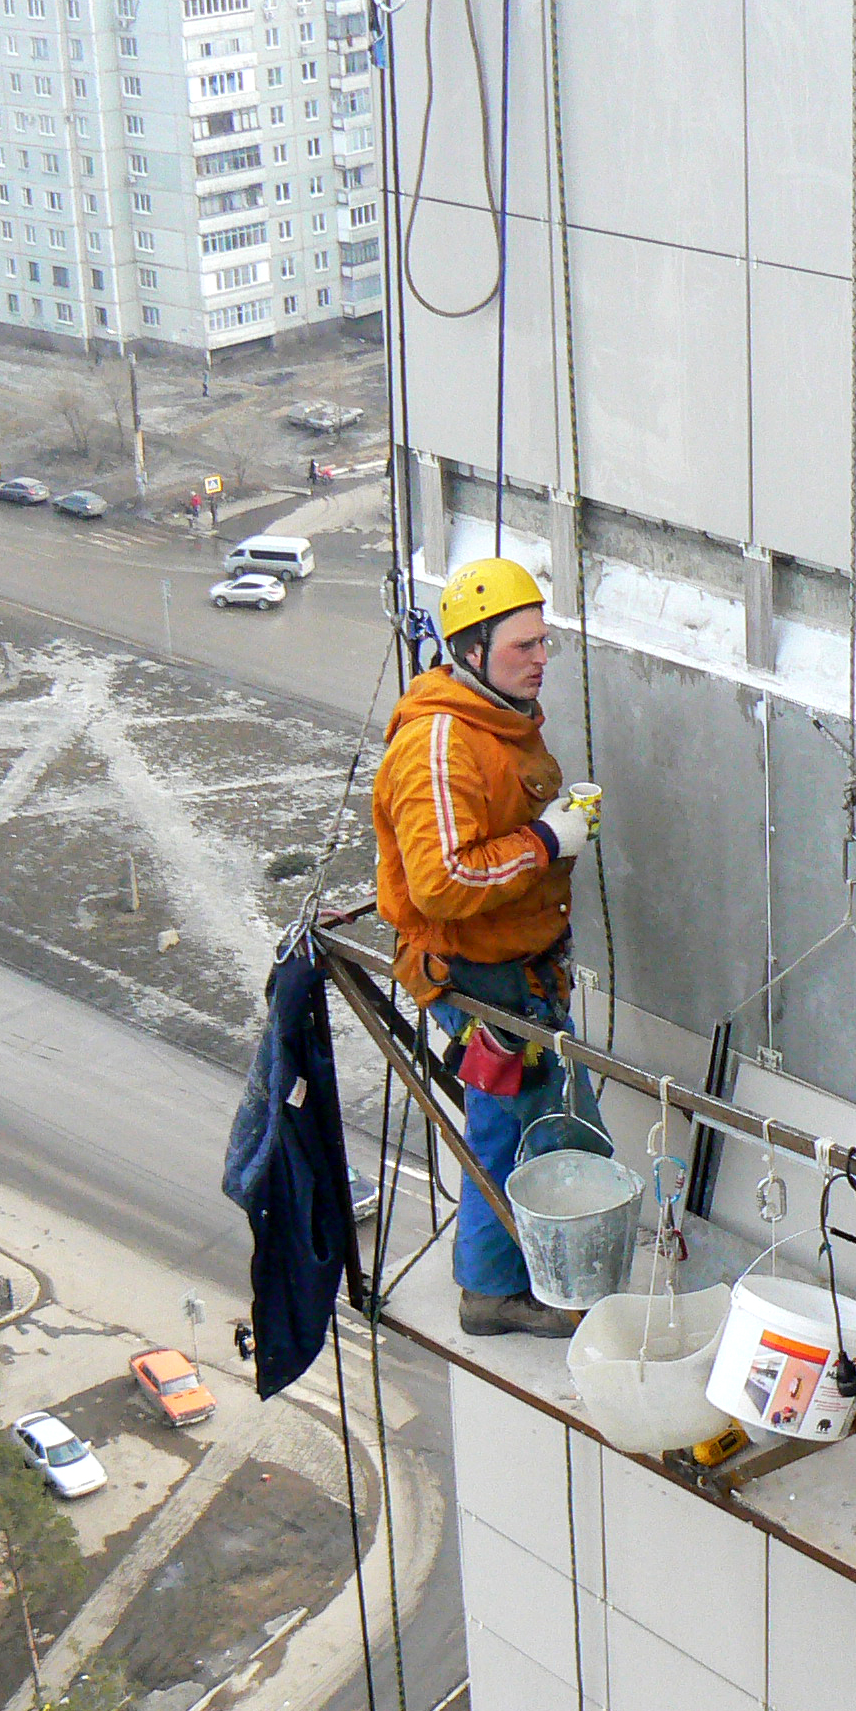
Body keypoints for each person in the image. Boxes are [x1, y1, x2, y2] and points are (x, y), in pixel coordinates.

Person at [372, 556, 605, 1338]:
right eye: (523, 648)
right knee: (508, 1131)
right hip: (480, 979)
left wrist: (550, 826)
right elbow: (440, 883)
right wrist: (545, 840)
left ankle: (530, 1271)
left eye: (544, 644)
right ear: (472, 654)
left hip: (520, 970)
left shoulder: (498, 721)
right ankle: (493, 1292)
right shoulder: (442, 742)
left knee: (537, 1121)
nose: (541, 660)